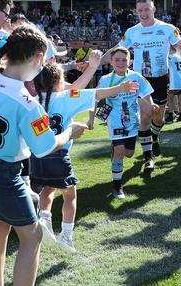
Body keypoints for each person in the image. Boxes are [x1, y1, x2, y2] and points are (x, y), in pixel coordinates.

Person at [0, 26, 86, 285]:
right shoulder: (27, 103)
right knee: (32, 237)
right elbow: (45, 147)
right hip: (4, 172)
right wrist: (69, 132)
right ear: (38, 57)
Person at [31, 62, 138, 252]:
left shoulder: (32, 99)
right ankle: (66, 236)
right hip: (58, 153)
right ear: (59, 81)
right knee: (70, 194)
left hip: (36, 155)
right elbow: (96, 93)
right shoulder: (65, 96)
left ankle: (44, 219)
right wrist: (121, 87)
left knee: (48, 189)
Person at [101, 0, 181, 175]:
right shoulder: (132, 32)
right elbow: (116, 51)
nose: (143, 13)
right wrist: (94, 63)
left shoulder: (167, 29)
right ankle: (149, 157)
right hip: (140, 80)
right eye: (139, 10)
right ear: (136, 11)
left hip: (161, 78)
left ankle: (154, 136)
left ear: (153, 9)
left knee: (159, 118)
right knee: (146, 115)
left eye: (146, 9)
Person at [96, 47, 155, 195]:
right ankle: (117, 186)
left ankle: (117, 152)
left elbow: (146, 93)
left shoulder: (136, 77)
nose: (121, 63)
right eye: (117, 59)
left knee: (129, 153)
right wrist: (92, 116)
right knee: (119, 151)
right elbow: (96, 97)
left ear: (129, 62)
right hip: (114, 120)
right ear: (111, 61)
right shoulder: (105, 80)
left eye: (124, 60)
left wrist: (150, 105)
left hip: (132, 121)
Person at [166, 45, 181, 123]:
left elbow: (168, 70)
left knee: (170, 99)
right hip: (179, 81)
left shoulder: (169, 58)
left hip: (172, 81)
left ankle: (170, 115)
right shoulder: (179, 58)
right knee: (180, 99)